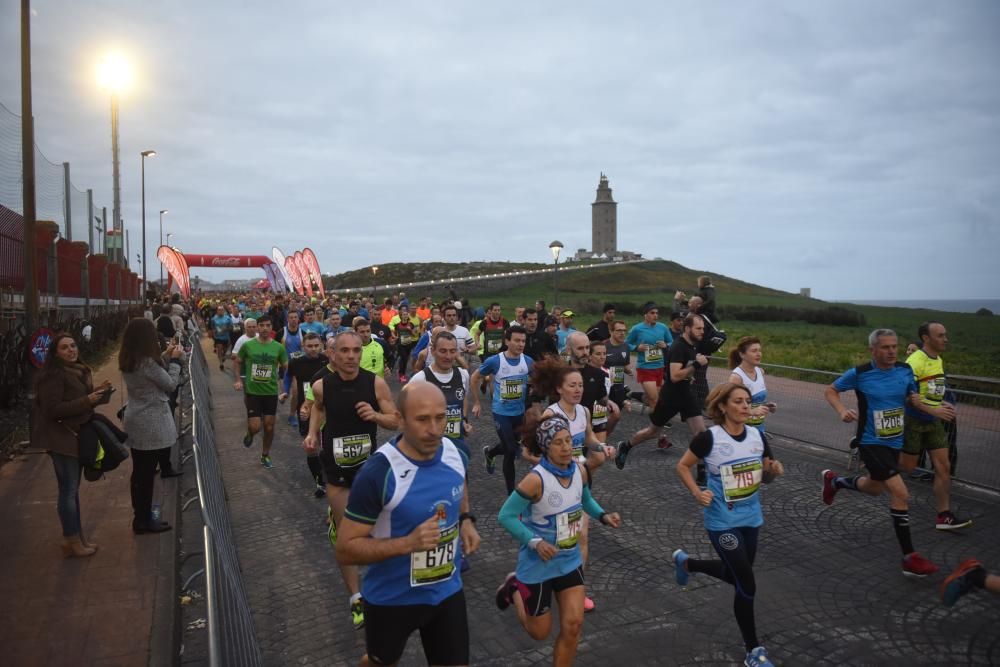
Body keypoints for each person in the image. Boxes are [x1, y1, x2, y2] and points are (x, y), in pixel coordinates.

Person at [336, 382, 481, 665]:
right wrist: (408, 544)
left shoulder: (456, 452)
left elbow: (459, 483)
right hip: (392, 598)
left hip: (446, 590)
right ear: (400, 420)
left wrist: (465, 519)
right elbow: (345, 549)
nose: (434, 429)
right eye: (423, 419)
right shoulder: (378, 474)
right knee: (381, 662)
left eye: (440, 418)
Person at [672, 382, 784, 667]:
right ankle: (753, 651)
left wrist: (772, 472)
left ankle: (689, 565)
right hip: (722, 521)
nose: (746, 406)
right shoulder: (709, 438)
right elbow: (682, 466)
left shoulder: (758, 437)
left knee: (736, 575)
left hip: (751, 518)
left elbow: (765, 477)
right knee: (746, 581)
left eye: (747, 401)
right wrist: (697, 492)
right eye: (738, 401)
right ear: (722, 407)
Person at [496, 414, 621, 666]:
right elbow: (506, 515)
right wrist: (535, 542)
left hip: (569, 558)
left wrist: (603, 515)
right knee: (539, 632)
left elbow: (584, 499)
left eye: (568, 441)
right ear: (545, 447)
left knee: (573, 625)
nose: (566, 448)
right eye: (557, 443)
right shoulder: (535, 480)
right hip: (538, 565)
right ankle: (514, 588)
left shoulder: (579, 470)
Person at [821, 328, 943, 577]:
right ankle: (909, 557)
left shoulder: (904, 370)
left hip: (894, 442)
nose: (891, 351)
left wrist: (922, 404)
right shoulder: (861, 373)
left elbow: (911, 396)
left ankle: (836, 481)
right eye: (885, 347)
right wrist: (841, 410)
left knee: (874, 488)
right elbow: (830, 390)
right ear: (873, 350)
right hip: (870, 442)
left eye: (894, 347)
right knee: (900, 492)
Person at [303, 330, 399, 630]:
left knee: (379, 531)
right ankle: (356, 597)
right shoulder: (321, 386)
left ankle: (384, 586)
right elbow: (318, 408)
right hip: (337, 470)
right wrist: (311, 433)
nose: (350, 356)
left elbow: (396, 419)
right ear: (333, 354)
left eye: (355, 351)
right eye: (343, 351)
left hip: (369, 470)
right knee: (348, 538)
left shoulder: (375, 383)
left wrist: (375, 416)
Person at [528, 354, 617, 612]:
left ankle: (577, 589)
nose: (578, 390)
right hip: (553, 482)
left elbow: (588, 437)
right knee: (552, 536)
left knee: (581, 535)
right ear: (559, 388)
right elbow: (536, 452)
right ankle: (532, 582)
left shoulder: (584, 411)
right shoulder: (551, 413)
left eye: (580, 385)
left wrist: (601, 446)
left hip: (577, 480)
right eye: (572, 385)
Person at [31, 332, 112, 558]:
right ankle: (72, 539)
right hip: (61, 438)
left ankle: (75, 538)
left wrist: (96, 392)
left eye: (73, 346)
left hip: (74, 434)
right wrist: (88, 400)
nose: (71, 350)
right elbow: (52, 409)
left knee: (71, 490)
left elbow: (76, 399)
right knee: (68, 490)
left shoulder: (76, 370)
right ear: (55, 353)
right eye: (65, 348)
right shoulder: (53, 375)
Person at [615, 314, 709, 471]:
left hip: (687, 395)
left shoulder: (692, 345)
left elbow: (683, 372)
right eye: (698, 328)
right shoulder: (679, 346)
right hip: (670, 397)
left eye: (703, 329)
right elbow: (674, 376)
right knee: (653, 431)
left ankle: (702, 477)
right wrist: (697, 365)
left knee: (701, 434)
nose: (702, 332)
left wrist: (690, 375)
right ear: (687, 328)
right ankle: (625, 445)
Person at [900, 321, 969, 530]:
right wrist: (935, 410)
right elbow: (909, 397)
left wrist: (942, 402)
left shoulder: (938, 359)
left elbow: (931, 390)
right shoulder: (915, 361)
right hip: (914, 421)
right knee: (907, 467)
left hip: (933, 422)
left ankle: (944, 516)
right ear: (926, 338)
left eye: (945, 335)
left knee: (943, 467)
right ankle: (868, 465)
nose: (945, 339)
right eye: (940, 335)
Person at [119, 317, 183, 534]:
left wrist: (166, 355)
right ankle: (143, 520)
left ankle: (142, 517)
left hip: (137, 417)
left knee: (140, 472)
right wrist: (175, 362)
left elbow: (153, 374)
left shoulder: (131, 359)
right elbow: (169, 383)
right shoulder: (145, 362)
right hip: (151, 420)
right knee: (145, 475)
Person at [472, 325, 533, 494]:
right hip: (501, 413)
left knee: (509, 446)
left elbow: (538, 380)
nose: (521, 344)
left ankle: (490, 453)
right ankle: (511, 493)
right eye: (517, 340)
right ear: (507, 341)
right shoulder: (495, 361)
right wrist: (477, 402)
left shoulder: (527, 361)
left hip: (518, 414)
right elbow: (474, 378)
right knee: (511, 450)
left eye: (523, 341)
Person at [407, 331, 473, 458]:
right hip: (429, 449)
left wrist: (463, 420)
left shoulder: (463, 375)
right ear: (433, 351)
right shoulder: (420, 379)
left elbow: (463, 398)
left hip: (456, 446)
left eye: (452, 351)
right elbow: (406, 415)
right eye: (443, 351)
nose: (448, 356)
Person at [234, 317, 289, 469]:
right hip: (253, 392)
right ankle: (250, 433)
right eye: (262, 325)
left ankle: (265, 454)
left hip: (271, 392)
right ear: (257, 328)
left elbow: (287, 367)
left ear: (271, 327)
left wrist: (285, 388)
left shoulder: (278, 347)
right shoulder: (248, 345)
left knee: (269, 427)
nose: (264, 328)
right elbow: (237, 361)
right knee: (256, 427)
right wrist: (238, 379)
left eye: (268, 325)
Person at [284, 332, 328, 497]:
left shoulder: (327, 361)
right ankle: (319, 481)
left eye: (316, 345)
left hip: (325, 409)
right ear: (303, 347)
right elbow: (288, 377)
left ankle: (327, 477)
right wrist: (285, 392)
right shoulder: (296, 362)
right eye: (309, 346)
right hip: (306, 409)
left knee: (326, 445)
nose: (313, 349)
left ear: (321, 345)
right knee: (311, 448)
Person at [625, 303, 673, 415]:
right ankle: (657, 425)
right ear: (645, 315)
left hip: (660, 367)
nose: (655, 315)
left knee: (655, 399)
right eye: (652, 313)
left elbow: (672, 342)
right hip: (645, 368)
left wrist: (666, 345)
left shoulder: (663, 327)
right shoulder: (637, 329)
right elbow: (626, 344)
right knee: (654, 399)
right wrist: (637, 347)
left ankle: (636, 396)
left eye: (657, 313)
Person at [727, 337, 777, 435]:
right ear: (742, 354)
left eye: (759, 350)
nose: (759, 354)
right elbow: (730, 407)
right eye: (754, 351)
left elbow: (756, 401)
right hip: (741, 430)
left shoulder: (760, 371)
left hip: (759, 429)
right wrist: (752, 411)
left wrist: (767, 406)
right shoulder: (736, 377)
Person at [604, 320, 633, 413]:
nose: (622, 333)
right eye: (619, 330)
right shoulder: (603, 346)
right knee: (599, 420)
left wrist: (629, 371)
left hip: (618, 385)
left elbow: (624, 365)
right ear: (611, 331)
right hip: (603, 386)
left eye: (624, 331)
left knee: (615, 414)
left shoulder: (625, 347)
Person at [389, 304, 421, 383]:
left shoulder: (411, 324)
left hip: (408, 344)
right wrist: (394, 337)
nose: (405, 316)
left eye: (406, 314)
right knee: (403, 358)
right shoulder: (397, 325)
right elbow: (393, 333)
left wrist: (410, 330)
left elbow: (414, 334)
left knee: (406, 360)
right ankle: (401, 374)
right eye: (403, 315)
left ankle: (402, 373)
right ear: (401, 316)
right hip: (401, 345)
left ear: (408, 316)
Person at [210, 305, 233, 370]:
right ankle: (221, 364)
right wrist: (214, 332)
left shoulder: (228, 318)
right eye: (219, 310)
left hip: (226, 337)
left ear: (224, 311)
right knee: (219, 349)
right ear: (217, 311)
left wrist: (225, 329)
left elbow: (231, 327)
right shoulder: (213, 319)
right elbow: (212, 327)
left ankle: (223, 356)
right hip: (218, 337)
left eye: (222, 310)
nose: (220, 311)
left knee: (225, 349)